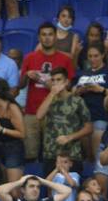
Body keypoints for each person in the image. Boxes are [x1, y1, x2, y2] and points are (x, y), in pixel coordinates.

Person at [19, 22, 76, 164]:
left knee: (53, 154)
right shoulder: (29, 58)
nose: (47, 38)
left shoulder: (65, 59)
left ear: (56, 36)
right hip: (32, 112)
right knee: (29, 153)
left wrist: (50, 84)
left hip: (56, 113)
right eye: (43, 35)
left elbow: (69, 87)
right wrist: (27, 75)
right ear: (39, 37)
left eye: (50, 34)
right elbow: (20, 85)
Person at [76, 44, 108, 162]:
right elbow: (73, 92)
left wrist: (102, 90)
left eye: (96, 56)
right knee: (87, 155)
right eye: (90, 56)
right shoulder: (84, 73)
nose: (93, 59)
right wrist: (80, 90)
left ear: (103, 55)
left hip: (102, 115)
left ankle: (98, 175)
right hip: (84, 117)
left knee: (98, 151)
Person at [37, 66, 91, 166]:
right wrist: (52, 93)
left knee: (72, 181)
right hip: (50, 152)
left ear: (66, 82)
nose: (55, 83)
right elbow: (39, 116)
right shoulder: (49, 99)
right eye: (53, 80)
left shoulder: (77, 100)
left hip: (72, 153)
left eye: (59, 80)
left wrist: (70, 137)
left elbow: (88, 128)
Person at [0, 77, 26, 182]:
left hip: (13, 149)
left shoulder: (12, 108)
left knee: (13, 188)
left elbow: (22, 134)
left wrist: (1, 129)